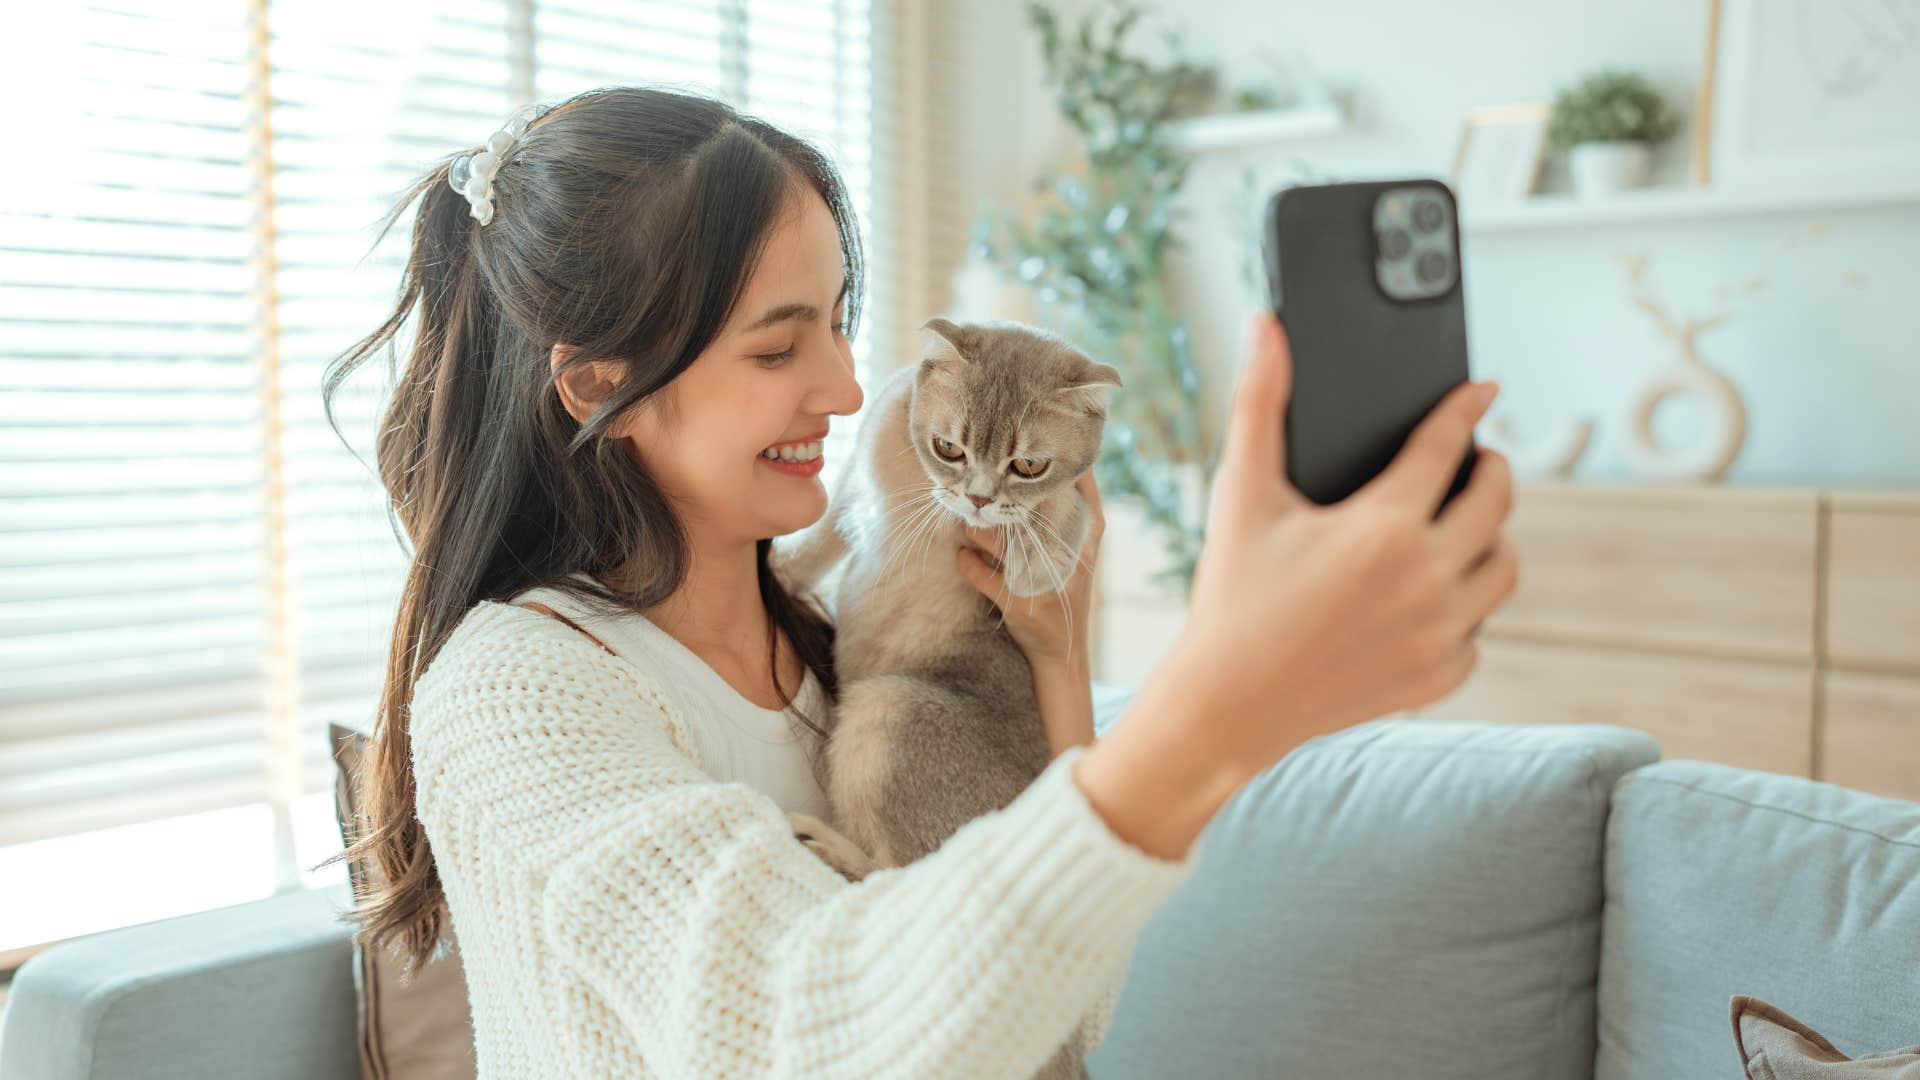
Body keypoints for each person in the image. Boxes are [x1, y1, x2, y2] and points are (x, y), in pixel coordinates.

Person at [319, 85, 1516, 1079]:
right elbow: (807, 1035)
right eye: (779, 345)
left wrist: (1059, 663)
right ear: (598, 387)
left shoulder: (829, 640)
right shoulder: (515, 691)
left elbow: (1066, 1010)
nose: (847, 390)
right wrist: (1222, 708)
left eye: (842, 324)